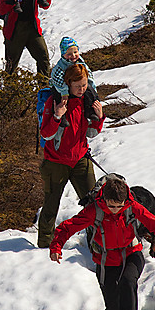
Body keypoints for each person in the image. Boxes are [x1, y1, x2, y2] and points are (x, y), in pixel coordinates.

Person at [49, 174, 155, 310]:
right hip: (105, 260)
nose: (116, 210)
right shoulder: (95, 210)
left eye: (119, 206)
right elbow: (68, 227)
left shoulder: (132, 207)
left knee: (128, 282)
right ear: (104, 199)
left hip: (132, 254)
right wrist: (56, 246)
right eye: (112, 205)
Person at [37, 63, 104, 249]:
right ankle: (44, 246)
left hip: (81, 160)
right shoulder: (54, 101)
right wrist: (57, 116)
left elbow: (91, 133)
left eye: (84, 85)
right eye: (77, 86)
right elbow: (46, 134)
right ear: (67, 84)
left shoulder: (87, 100)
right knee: (51, 206)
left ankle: (97, 244)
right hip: (55, 163)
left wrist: (99, 118)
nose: (82, 89)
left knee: (94, 205)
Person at [0, 0, 52, 79]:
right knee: (11, 64)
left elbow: (46, 5)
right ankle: (8, 93)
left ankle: (44, 91)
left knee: (43, 58)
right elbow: (1, 11)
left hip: (32, 28)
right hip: (15, 30)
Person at [50, 36, 99, 128]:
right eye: (69, 54)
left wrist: (93, 87)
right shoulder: (61, 65)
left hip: (76, 85)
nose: (73, 56)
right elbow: (57, 78)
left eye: (75, 52)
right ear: (63, 54)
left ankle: (90, 111)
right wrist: (64, 92)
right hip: (60, 86)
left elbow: (88, 74)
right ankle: (62, 116)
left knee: (88, 90)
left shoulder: (80, 62)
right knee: (57, 96)